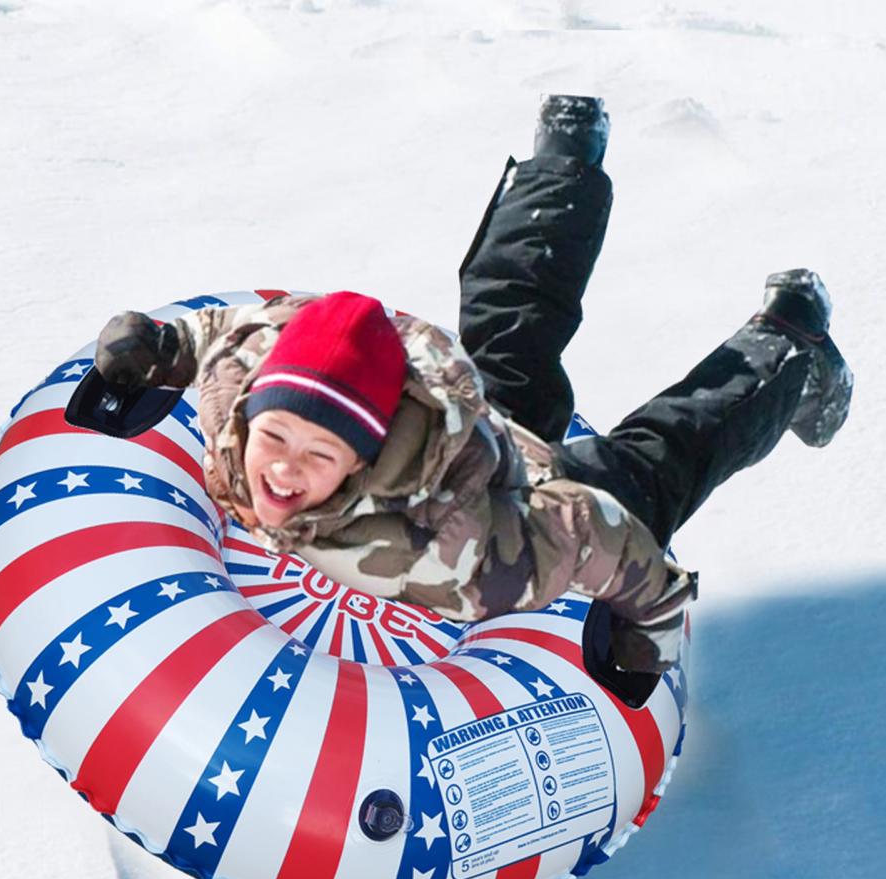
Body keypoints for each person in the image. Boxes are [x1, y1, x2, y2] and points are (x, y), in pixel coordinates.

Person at [94, 95, 853, 675]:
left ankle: (791, 342)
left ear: (360, 461)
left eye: (319, 455)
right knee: (507, 319)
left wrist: (653, 617)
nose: (285, 467)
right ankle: (563, 163)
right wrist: (160, 347)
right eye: (276, 436)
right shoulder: (237, 393)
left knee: (655, 466)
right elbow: (231, 334)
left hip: (522, 488)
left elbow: (591, 529)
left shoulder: (447, 550)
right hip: (448, 405)